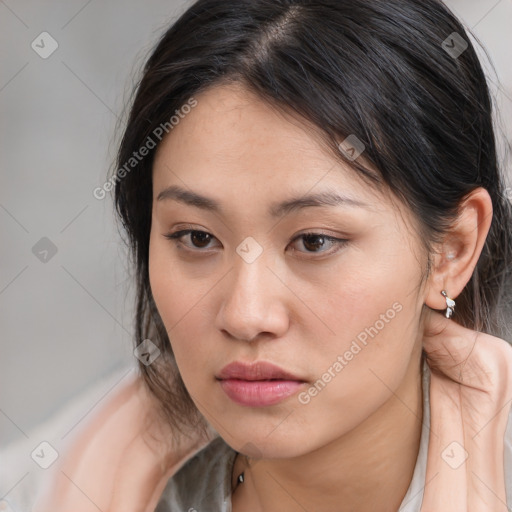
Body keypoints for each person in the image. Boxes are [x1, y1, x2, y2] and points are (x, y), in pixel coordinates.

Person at [35, 0, 512, 511]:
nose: (245, 315)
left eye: (314, 242)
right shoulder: (54, 480)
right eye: (197, 237)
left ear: (452, 250)